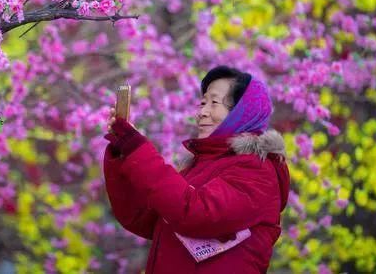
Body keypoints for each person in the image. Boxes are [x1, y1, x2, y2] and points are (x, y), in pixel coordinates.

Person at [104, 66, 290, 273]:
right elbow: (140, 217)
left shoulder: (257, 171)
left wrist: (137, 147)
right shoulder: (198, 168)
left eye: (214, 103)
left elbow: (194, 213)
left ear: (241, 112)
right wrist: (125, 151)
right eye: (203, 103)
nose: (202, 112)